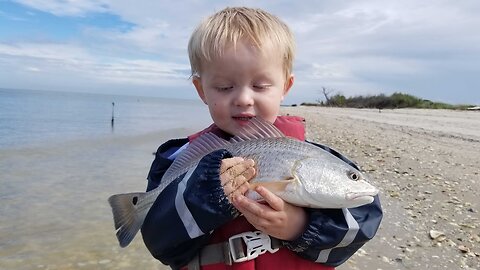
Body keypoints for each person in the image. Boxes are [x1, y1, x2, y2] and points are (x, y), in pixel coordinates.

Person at [141, 7, 382, 270]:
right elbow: (160, 242)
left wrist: (299, 226)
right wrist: (206, 193)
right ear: (202, 90)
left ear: (285, 88)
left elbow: (364, 222)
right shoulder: (177, 159)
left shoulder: (318, 156)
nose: (244, 99)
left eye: (260, 86)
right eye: (224, 87)